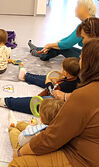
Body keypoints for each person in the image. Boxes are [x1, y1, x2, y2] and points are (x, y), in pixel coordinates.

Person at [9, 38, 99, 167]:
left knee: (18, 163)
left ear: (89, 63)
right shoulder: (82, 89)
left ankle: (8, 102)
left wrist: (20, 152)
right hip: (83, 146)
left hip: (82, 157)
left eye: (81, 58)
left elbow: (53, 137)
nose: (79, 61)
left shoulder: (84, 95)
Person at [0, 57, 80, 115]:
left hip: (58, 99)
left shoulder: (65, 85)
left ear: (66, 72)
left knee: (35, 102)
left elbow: (53, 92)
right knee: (46, 78)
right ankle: (26, 76)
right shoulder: (74, 79)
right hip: (64, 90)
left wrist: (49, 84)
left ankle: (2, 101)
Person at [28, 0, 96, 61]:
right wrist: (56, 43)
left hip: (91, 60)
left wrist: (50, 45)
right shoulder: (92, 21)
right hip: (92, 56)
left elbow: (67, 44)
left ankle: (40, 53)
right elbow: (70, 38)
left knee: (62, 48)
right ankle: (38, 49)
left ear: (87, 9)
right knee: (59, 46)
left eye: (79, 6)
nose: (76, 9)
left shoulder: (86, 25)